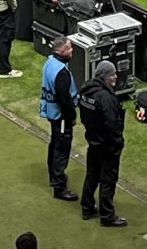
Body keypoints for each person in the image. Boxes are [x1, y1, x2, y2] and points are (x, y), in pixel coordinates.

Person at [78, 60, 127, 227]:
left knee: (92, 174)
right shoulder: (105, 97)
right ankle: (107, 216)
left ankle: (87, 207)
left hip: (93, 140)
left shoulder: (86, 89)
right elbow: (112, 124)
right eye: (113, 74)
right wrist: (118, 144)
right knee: (108, 179)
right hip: (107, 145)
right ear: (106, 76)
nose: (115, 76)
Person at [40, 36, 79, 201]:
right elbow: (64, 99)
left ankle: (54, 178)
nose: (72, 51)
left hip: (52, 112)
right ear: (62, 51)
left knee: (55, 144)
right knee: (61, 149)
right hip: (61, 116)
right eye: (70, 48)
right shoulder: (61, 72)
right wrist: (72, 116)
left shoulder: (50, 63)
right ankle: (59, 186)